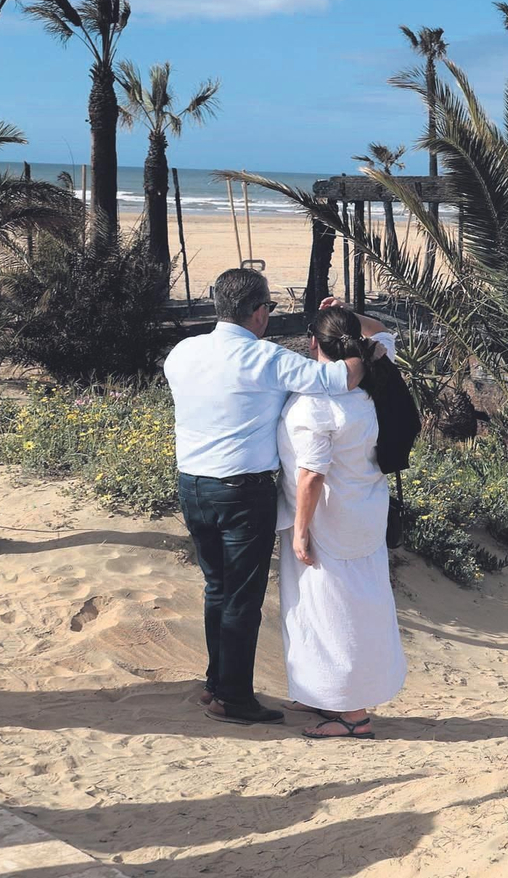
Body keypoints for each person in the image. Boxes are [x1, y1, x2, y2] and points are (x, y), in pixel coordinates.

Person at [164, 269, 369, 725]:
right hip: (243, 491)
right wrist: (360, 348)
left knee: (217, 587)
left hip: (192, 484)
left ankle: (217, 682)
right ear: (258, 312)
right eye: (269, 310)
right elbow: (344, 380)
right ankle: (233, 698)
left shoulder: (182, 352)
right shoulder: (266, 358)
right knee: (242, 596)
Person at [276, 304, 406, 740]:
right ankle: (327, 693)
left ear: (313, 343)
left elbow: (312, 474)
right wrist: (348, 312)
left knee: (330, 611)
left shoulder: (318, 402)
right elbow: (384, 331)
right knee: (357, 605)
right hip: (366, 511)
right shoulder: (371, 373)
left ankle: (352, 714)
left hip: (328, 523)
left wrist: (299, 529)